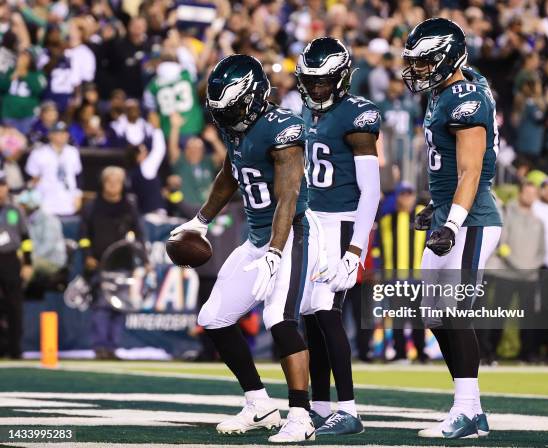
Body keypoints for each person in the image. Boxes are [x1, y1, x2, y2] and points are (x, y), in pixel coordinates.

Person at [171, 55, 319, 443]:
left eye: (232, 107)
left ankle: (301, 416)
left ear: (253, 98)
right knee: (214, 315)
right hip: (255, 237)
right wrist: (199, 220)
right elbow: (230, 173)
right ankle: (259, 404)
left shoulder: (283, 129)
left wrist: (274, 253)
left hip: (292, 234)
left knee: (280, 318)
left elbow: (288, 197)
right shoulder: (236, 128)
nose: (225, 117)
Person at [402, 18, 502, 439]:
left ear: (447, 59)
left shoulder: (465, 98)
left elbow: (471, 170)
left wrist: (453, 222)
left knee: (455, 312)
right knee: (433, 313)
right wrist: (435, 207)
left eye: (426, 62)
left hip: (472, 218)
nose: (418, 70)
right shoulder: (447, 92)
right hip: (450, 213)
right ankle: (472, 411)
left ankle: (465, 409)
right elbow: (448, 169)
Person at [295, 37, 380, 436]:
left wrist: (355, 248)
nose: (316, 88)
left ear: (342, 77)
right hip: (313, 222)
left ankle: (349, 410)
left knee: (327, 315)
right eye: (311, 81)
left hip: (343, 222)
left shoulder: (357, 115)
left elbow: (372, 190)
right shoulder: (307, 111)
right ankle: (320, 405)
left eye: (324, 81)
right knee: (312, 317)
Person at [79, 166, 144, 359]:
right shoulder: (92, 206)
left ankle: (113, 347)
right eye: (110, 181)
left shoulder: (129, 205)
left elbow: (139, 234)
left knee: (120, 306)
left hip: (123, 264)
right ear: (103, 183)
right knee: (101, 306)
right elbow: (83, 235)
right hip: (100, 264)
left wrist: (144, 260)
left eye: (117, 182)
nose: (113, 185)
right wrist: (87, 255)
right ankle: (100, 347)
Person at [483, 181, 545, 363]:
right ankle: (491, 352)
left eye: (533, 194)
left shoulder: (538, 221)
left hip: (530, 276)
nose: (530, 197)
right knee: (498, 316)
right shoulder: (508, 214)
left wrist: (531, 267)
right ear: (520, 194)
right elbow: (503, 244)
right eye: (527, 193)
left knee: (529, 319)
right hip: (507, 274)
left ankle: (527, 354)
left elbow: (542, 251)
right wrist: (518, 264)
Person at [371, 181, 429, 364]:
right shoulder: (387, 219)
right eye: (403, 194)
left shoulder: (423, 215)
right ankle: (399, 353)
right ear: (397, 197)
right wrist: (378, 270)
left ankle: (420, 353)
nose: (406, 198)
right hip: (394, 277)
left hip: (419, 277)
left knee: (419, 318)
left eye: (409, 194)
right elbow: (377, 247)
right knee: (398, 317)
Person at [0, 170, 32, 358]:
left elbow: (26, 238)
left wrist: (28, 262)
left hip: (10, 258)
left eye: (2, 185)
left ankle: (15, 349)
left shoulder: (14, 211)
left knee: (14, 304)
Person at [25, 121, 82, 216]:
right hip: (46, 205)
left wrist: (78, 196)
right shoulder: (39, 153)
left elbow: (79, 176)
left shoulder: (73, 152)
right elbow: (31, 180)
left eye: (65, 133)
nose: (62, 136)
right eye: (58, 133)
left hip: (68, 203)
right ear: (50, 135)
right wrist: (33, 200)